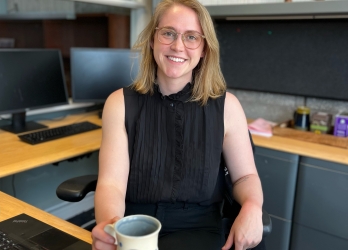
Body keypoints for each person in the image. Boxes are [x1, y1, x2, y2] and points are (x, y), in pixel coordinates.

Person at [91, 0, 264, 249]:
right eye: (168, 33)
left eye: (192, 37)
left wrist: (252, 207)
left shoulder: (228, 107)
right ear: (152, 40)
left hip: (199, 227)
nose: (178, 46)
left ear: (204, 48)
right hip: (135, 225)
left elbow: (245, 177)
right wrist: (111, 226)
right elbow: (111, 184)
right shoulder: (119, 103)